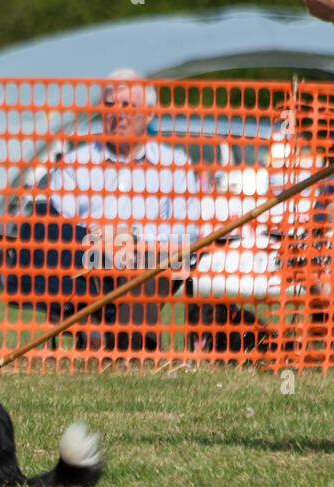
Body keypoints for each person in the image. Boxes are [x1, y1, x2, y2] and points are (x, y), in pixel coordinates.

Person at [10, 69, 201, 352]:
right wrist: (102, 238)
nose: (118, 113)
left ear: (148, 114)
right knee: (42, 226)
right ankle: (108, 332)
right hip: (89, 257)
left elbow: (188, 231)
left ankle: (124, 338)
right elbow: (60, 221)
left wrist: (133, 237)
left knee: (160, 260)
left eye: (127, 105)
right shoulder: (76, 162)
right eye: (110, 105)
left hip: (149, 256)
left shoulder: (177, 165)